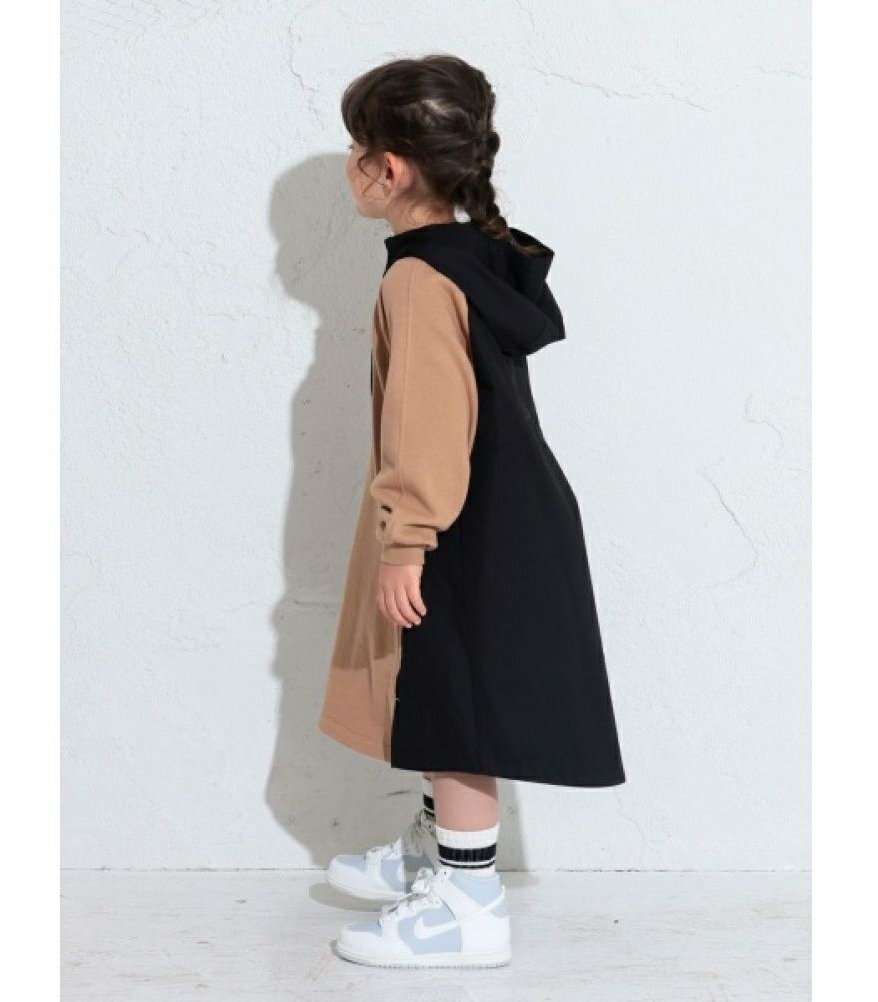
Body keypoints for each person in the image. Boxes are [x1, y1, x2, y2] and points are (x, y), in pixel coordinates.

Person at [317, 54, 626, 969]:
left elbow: (426, 421)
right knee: (438, 694)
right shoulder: (473, 258)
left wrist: (406, 540)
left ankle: (468, 906)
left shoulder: (418, 281)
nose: (350, 166)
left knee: (453, 707)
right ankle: (435, 855)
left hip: (461, 522)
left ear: (389, 168)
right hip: (499, 507)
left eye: (356, 149)